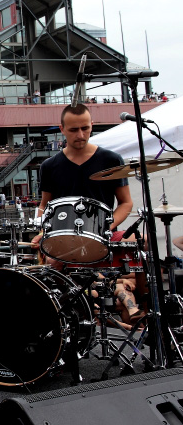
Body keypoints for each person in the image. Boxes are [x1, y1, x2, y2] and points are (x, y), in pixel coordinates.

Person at [31, 103, 136, 322]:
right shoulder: (50, 166)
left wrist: (105, 227)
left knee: (140, 244)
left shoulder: (111, 160)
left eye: (85, 128)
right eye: (73, 130)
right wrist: (43, 228)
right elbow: (44, 205)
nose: (81, 135)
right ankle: (76, 318)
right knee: (51, 267)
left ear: (92, 126)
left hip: (102, 234)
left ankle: (143, 317)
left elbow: (126, 204)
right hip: (65, 240)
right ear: (62, 129)